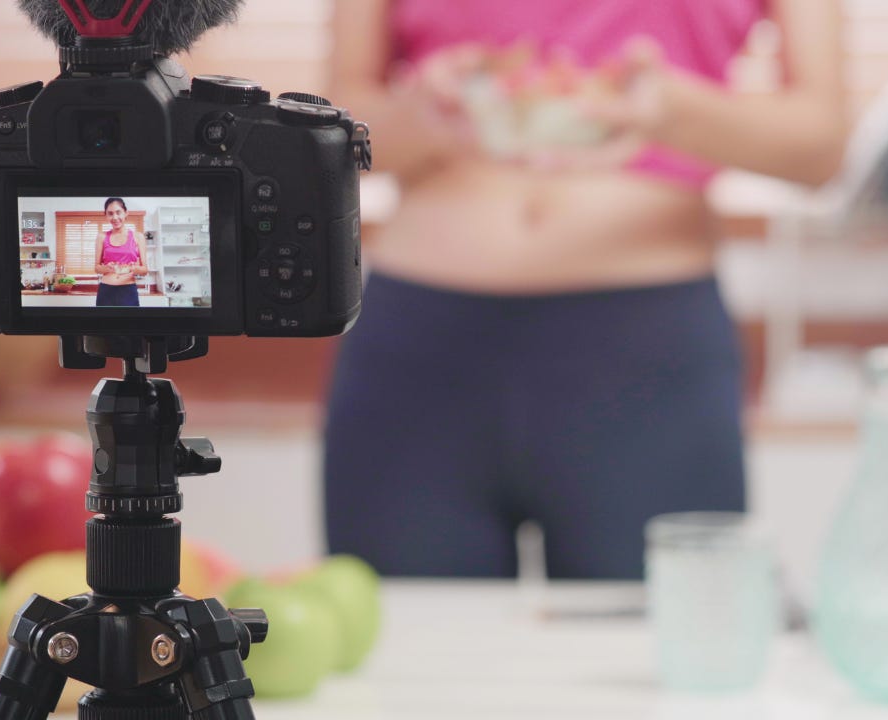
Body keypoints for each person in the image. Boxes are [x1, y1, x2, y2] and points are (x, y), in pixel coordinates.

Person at [323, 0, 847, 579]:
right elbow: (335, 130)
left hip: (649, 354)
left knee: (658, 655)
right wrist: (423, 112)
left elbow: (822, 142)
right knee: (402, 654)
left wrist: (667, 111)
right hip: (418, 350)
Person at [94, 197, 147, 307]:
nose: (115, 217)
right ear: (106, 216)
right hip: (106, 291)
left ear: (126, 213)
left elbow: (145, 270)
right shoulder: (101, 236)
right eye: (110, 213)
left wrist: (133, 268)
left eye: (118, 212)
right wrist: (108, 268)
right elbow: (97, 267)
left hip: (128, 292)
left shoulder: (138, 236)